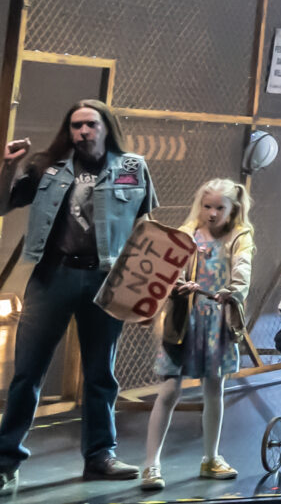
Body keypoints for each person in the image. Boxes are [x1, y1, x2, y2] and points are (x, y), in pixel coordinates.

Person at [0, 99, 159, 485]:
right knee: (28, 372)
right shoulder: (45, 167)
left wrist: (147, 290)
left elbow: (148, 226)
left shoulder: (133, 167)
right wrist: (7, 166)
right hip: (52, 276)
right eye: (75, 126)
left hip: (107, 280)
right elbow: (2, 203)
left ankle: (100, 456)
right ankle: (5, 461)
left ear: (106, 127)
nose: (82, 132)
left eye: (90, 124)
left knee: (100, 373)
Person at [139, 180, 254, 490]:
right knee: (168, 390)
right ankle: (151, 464)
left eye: (219, 207)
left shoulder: (239, 237)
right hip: (182, 321)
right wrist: (178, 285)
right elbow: (166, 271)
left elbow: (242, 274)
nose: (212, 213)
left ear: (233, 210)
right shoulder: (186, 234)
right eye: (207, 206)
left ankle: (211, 457)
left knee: (214, 388)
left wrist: (227, 291)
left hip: (216, 323)